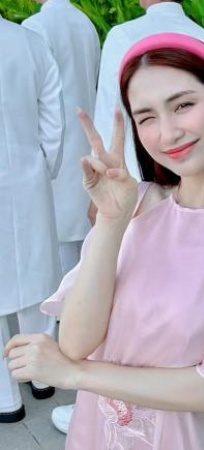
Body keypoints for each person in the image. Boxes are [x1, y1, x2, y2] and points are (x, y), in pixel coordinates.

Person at [5, 32, 204, 450]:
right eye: (147, 117)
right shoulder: (134, 204)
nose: (169, 133)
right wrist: (111, 222)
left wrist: (75, 374)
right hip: (97, 435)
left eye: (183, 105)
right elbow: (76, 342)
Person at [0, 15, 64, 423]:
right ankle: (40, 375)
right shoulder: (29, 42)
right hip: (27, 178)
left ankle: (5, 399)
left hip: (24, 177)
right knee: (35, 280)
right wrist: (44, 166)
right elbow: (53, 115)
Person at [95, 0, 204, 180]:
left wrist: (102, 173)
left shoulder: (123, 36)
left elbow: (109, 114)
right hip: (198, 169)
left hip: (136, 173)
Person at [23, 0, 100, 277]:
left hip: (53, 153)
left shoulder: (35, 27)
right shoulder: (85, 24)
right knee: (84, 255)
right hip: (86, 148)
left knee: (54, 263)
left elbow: (31, 97)